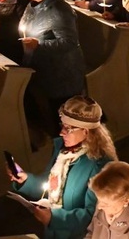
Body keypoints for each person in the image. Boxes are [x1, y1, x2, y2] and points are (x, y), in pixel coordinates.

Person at [9, 96, 117, 239]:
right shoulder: (63, 149)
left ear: (86, 131)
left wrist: (53, 218)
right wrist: (25, 180)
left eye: (68, 128)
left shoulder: (100, 165)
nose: (61, 133)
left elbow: (94, 216)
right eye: (62, 126)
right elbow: (50, 185)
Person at [20, 0, 86, 133]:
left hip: (62, 73)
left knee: (65, 114)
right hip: (46, 69)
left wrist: (39, 44)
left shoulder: (59, 10)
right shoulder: (34, 5)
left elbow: (70, 42)